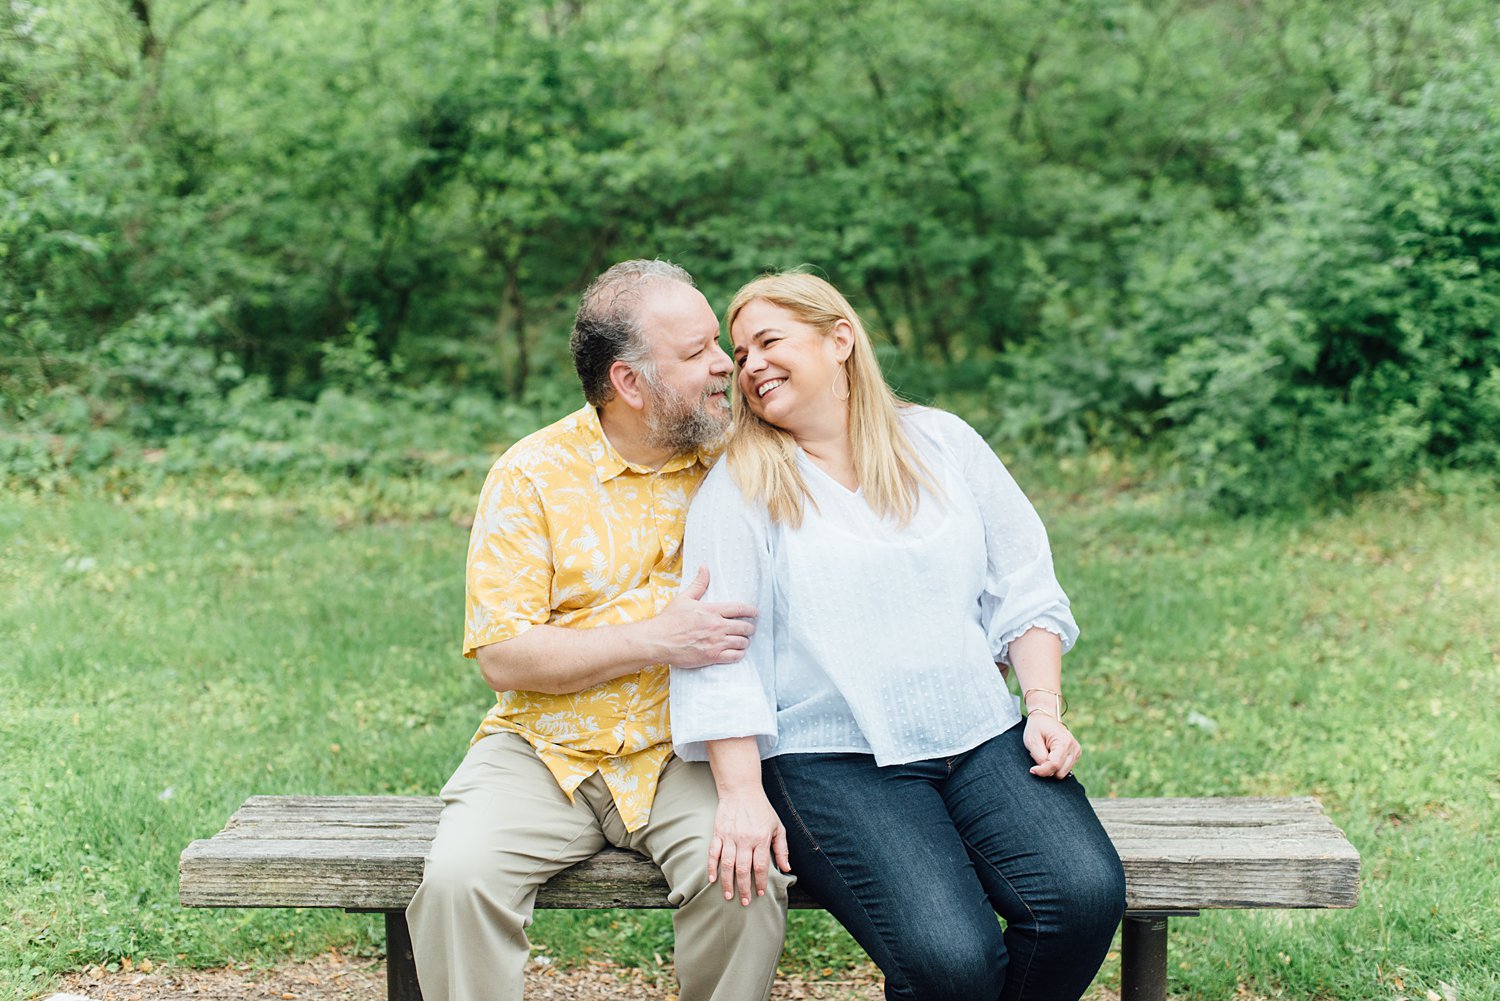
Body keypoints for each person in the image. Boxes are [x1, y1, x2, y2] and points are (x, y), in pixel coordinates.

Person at [669, 272, 1126, 1001]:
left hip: (978, 735)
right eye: (741, 349)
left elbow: (1025, 584)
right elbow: (718, 653)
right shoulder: (741, 484)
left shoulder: (942, 441)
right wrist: (741, 791)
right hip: (829, 757)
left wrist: (1043, 708)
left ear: (840, 338)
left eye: (770, 340)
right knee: (954, 961)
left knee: (1082, 896)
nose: (749, 363)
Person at [407, 260, 792, 1001]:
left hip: (686, 748)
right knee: (458, 880)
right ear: (630, 383)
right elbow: (505, 654)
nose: (725, 365)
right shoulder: (531, 475)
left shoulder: (737, 459)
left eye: (720, 343)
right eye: (698, 353)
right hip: (543, 750)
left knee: (746, 874)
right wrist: (657, 637)